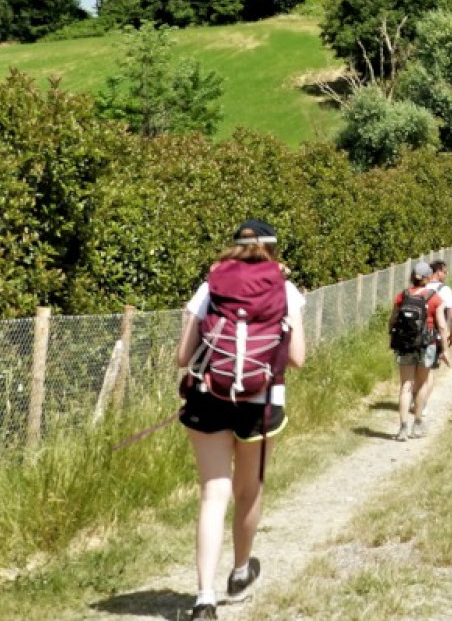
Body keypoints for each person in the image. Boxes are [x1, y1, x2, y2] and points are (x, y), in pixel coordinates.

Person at [175, 219, 307, 620]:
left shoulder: (210, 285)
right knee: (248, 491)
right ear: (272, 248)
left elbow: (183, 357)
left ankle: (204, 598)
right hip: (261, 403)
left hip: (209, 397)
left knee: (213, 494)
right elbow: (298, 358)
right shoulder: (285, 290)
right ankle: (240, 571)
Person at [389, 260, 448, 442]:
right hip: (427, 344)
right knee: (421, 385)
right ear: (429, 277)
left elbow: (392, 320)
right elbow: (442, 326)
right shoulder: (434, 298)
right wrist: (445, 349)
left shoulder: (402, 296)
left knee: (405, 386)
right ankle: (418, 423)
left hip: (406, 345)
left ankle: (403, 427)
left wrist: (392, 339)